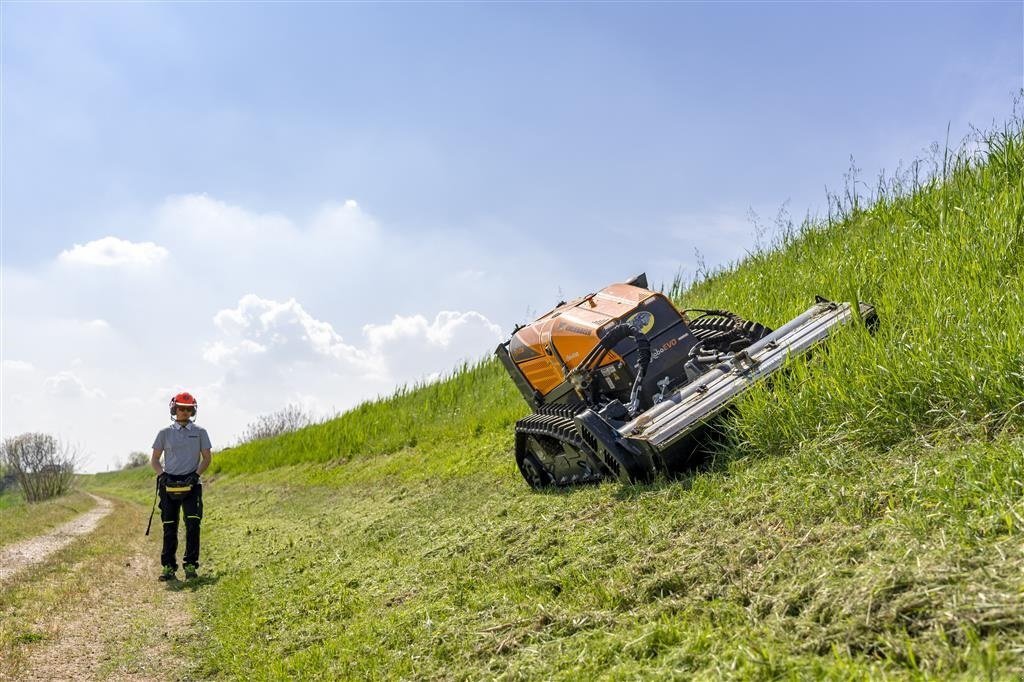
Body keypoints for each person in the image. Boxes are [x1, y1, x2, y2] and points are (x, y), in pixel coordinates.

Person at [151, 391, 212, 581]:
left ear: (192, 411)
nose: (184, 412)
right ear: (174, 409)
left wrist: (195, 476)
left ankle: (191, 566)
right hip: (169, 484)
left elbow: (207, 458)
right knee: (170, 526)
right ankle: (169, 568)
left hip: (192, 484)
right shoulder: (164, 433)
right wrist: (163, 476)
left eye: (188, 409)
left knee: (193, 525)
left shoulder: (200, 432)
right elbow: (154, 460)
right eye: (180, 408)